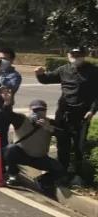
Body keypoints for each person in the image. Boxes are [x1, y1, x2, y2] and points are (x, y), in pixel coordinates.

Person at [35, 46, 98, 185]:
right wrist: (39, 74)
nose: (76, 57)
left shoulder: (93, 71)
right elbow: (47, 79)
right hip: (63, 113)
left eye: (79, 55)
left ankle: (78, 175)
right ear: (69, 55)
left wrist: (92, 110)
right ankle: (61, 172)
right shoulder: (64, 69)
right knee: (62, 143)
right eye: (73, 55)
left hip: (82, 114)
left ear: (84, 55)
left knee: (78, 146)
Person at [4, 99, 64, 197]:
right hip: (21, 154)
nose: (39, 113)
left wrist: (50, 128)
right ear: (29, 110)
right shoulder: (22, 120)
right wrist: (7, 103)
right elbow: (7, 114)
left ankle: (43, 180)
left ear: (46, 112)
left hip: (39, 158)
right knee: (10, 149)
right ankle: (13, 174)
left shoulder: (50, 123)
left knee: (59, 169)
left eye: (42, 110)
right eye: (35, 110)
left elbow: (64, 135)